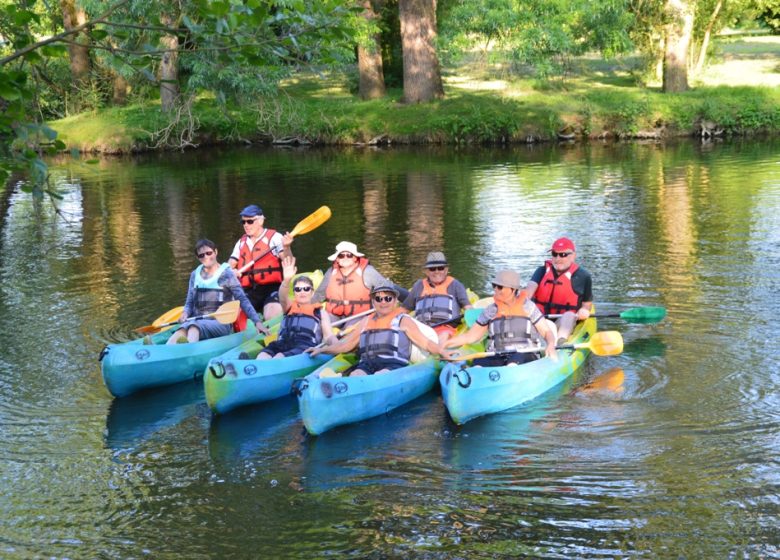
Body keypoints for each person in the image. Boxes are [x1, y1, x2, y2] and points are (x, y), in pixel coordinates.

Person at [307, 283, 440, 376]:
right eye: (378, 298)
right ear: (373, 301)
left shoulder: (403, 320)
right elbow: (345, 345)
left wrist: (443, 352)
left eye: (388, 298)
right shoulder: (365, 321)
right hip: (367, 364)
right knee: (355, 375)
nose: (383, 302)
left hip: (393, 364)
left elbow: (426, 343)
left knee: (380, 375)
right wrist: (322, 350)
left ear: (394, 301)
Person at [441, 269, 557, 366]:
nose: (495, 289)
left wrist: (551, 345)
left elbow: (546, 332)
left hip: (525, 354)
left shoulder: (528, 307)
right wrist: (444, 345)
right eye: (494, 286)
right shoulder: (491, 310)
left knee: (514, 361)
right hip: (497, 354)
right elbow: (470, 337)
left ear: (513, 290)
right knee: (478, 363)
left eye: (500, 287)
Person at [167, 239, 266, 345]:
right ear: (198, 258)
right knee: (181, 330)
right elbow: (189, 303)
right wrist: (185, 313)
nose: (206, 257)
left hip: (220, 323)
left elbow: (242, 299)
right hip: (196, 320)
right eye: (201, 255)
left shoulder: (227, 275)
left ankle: (187, 353)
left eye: (209, 253)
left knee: (193, 328)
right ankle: (164, 351)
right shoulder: (194, 275)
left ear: (216, 252)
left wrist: (257, 322)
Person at [257, 256, 334, 359]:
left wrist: (338, 346)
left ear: (312, 292)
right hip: (283, 342)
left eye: (306, 289)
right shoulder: (288, 307)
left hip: (304, 345)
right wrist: (287, 280)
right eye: (298, 289)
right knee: (262, 355)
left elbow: (328, 336)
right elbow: (282, 297)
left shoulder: (320, 312)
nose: (302, 292)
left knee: (279, 356)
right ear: (294, 293)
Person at [228, 204, 294, 321]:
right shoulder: (241, 242)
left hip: (271, 289)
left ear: (260, 221)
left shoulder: (275, 238)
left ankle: (273, 331)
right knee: (235, 318)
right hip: (249, 291)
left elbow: (288, 261)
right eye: (243, 222)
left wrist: (287, 247)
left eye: (250, 221)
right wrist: (230, 272)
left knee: (271, 315)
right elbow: (231, 263)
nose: (246, 225)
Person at [526, 237, 593, 344]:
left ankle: (561, 344)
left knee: (569, 315)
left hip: (563, 322)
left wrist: (584, 310)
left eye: (563, 255)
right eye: (554, 254)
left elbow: (587, 305)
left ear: (573, 256)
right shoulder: (542, 270)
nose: (557, 258)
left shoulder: (583, 276)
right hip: (540, 320)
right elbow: (529, 291)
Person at [311, 241, 390, 325]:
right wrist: (305, 308)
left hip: (359, 316)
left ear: (355, 258)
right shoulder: (330, 273)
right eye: (341, 255)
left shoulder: (368, 271)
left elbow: (387, 289)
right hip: (334, 315)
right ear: (337, 259)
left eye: (349, 255)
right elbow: (319, 295)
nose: (345, 258)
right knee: (319, 324)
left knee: (350, 327)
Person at [402, 251, 472, 344]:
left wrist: (478, 323)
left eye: (440, 268)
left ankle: (439, 353)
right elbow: (404, 309)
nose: (437, 272)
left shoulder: (455, 285)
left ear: (446, 270)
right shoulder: (419, 286)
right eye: (432, 269)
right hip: (421, 328)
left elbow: (468, 308)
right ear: (426, 271)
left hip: (445, 327)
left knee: (444, 335)